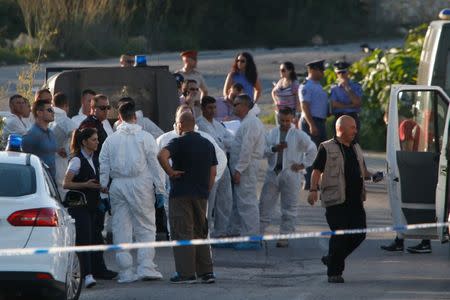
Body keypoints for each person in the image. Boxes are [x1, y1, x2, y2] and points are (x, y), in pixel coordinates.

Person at [99, 102, 164, 283]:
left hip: (118, 185)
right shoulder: (146, 137)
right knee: (145, 226)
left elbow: (103, 166)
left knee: (121, 226)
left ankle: (125, 271)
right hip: (141, 184)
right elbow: (155, 165)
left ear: (119, 117)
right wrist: (160, 190)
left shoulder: (110, 140)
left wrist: (103, 192)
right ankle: (145, 267)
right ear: (135, 116)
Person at [307, 115, 376, 283]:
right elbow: (316, 170)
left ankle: (332, 259)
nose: (355, 131)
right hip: (336, 200)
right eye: (352, 127)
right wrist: (313, 189)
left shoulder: (356, 147)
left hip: (355, 201)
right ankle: (334, 273)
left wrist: (373, 176)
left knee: (360, 233)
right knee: (339, 236)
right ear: (341, 129)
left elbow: (363, 171)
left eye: (355, 127)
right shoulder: (327, 147)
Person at [158, 111, 217, 284]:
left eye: (176, 123)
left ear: (181, 125)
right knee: (200, 232)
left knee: (183, 232)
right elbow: (213, 171)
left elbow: (161, 155)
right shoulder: (207, 143)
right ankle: (206, 272)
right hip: (201, 194)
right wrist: (206, 190)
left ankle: (186, 273)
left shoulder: (178, 141)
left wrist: (171, 172)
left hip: (181, 194)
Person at [259, 107, 317, 247]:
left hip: (291, 173)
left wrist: (303, 165)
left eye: (287, 120)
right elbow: (262, 151)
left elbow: (312, 149)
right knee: (264, 205)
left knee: (289, 207)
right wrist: (274, 149)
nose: (284, 123)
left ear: (292, 119)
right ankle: (258, 235)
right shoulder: (272, 133)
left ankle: (284, 236)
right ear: (278, 118)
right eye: (282, 120)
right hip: (273, 172)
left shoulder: (298, 135)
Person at [78, 94, 117, 280]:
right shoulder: (89, 126)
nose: (106, 111)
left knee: (97, 229)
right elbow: (91, 156)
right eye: (102, 108)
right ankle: (95, 269)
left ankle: (97, 267)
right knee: (94, 231)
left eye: (108, 107)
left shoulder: (99, 125)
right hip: (92, 183)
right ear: (92, 108)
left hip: (98, 181)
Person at [63, 127, 103, 289]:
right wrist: (85, 185)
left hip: (93, 205)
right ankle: (86, 275)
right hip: (79, 207)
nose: (97, 142)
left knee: (93, 238)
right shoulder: (77, 160)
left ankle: (90, 272)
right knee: (84, 240)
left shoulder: (95, 158)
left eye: (97, 139)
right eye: (94, 139)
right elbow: (66, 183)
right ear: (84, 142)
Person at [228, 94, 265, 249]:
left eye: (236, 104)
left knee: (247, 202)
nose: (234, 107)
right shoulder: (248, 122)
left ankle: (252, 238)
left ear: (244, 106)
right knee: (239, 203)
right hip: (244, 168)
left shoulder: (251, 123)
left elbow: (247, 149)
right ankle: (237, 234)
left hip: (246, 169)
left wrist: (239, 170)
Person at [196, 96, 234, 237]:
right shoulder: (200, 124)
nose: (212, 111)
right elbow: (213, 144)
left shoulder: (218, 124)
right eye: (209, 108)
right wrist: (222, 142)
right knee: (209, 200)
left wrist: (222, 141)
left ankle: (221, 230)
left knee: (225, 198)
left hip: (223, 164)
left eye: (214, 107)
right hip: (210, 166)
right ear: (203, 108)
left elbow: (230, 140)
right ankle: (206, 231)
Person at [299, 59, 329, 190]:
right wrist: (312, 124)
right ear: (312, 70)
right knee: (311, 152)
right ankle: (309, 182)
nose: (323, 72)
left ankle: (317, 181)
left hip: (320, 121)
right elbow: (304, 107)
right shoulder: (306, 85)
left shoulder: (318, 85)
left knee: (321, 153)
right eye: (320, 70)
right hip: (311, 121)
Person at [49, 92, 78, 197]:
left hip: (46, 159)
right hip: (61, 160)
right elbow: (77, 135)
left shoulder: (48, 119)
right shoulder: (66, 121)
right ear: (66, 106)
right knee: (62, 190)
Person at [22, 100, 58, 179]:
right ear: (39, 113)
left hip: (51, 180)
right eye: (49, 110)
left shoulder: (51, 133)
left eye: (52, 110)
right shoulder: (31, 135)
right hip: (38, 179)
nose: (53, 113)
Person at [330, 61, 363, 139]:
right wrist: (351, 105)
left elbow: (358, 103)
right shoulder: (334, 88)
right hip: (339, 116)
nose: (341, 75)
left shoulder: (356, 86)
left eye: (343, 72)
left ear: (348, 72)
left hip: (352, 116)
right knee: (338, 142)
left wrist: (347, 89)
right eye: (339, 73)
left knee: (353, 141)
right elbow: (334, 104)